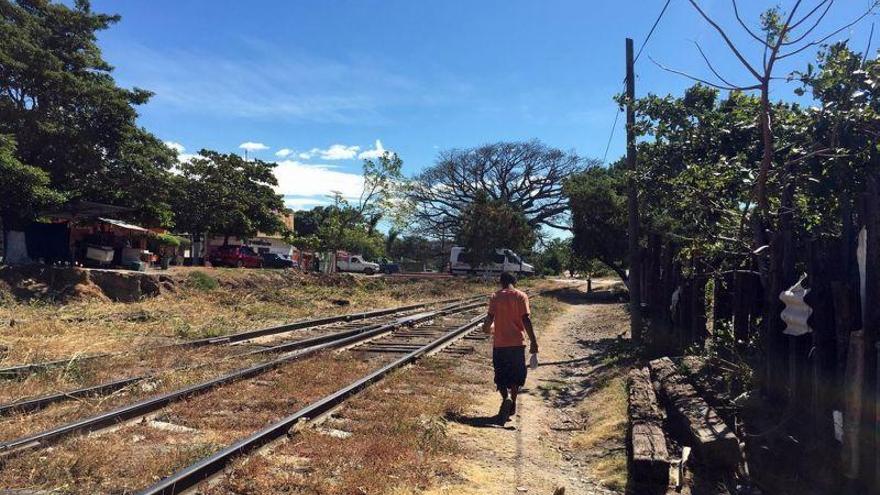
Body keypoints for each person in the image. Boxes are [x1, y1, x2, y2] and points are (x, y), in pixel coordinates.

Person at [482, 271, 538, 424]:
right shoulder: (521, 296)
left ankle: (505, 398)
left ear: (501, 282)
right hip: (517, 344)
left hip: (500, 344)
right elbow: (526, 319)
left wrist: (486, 328)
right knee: (515, 376)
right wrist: (533, 341)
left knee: (500, 374)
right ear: (515, 282)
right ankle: (512, 401)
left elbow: (489, 318)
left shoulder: (495, 297)